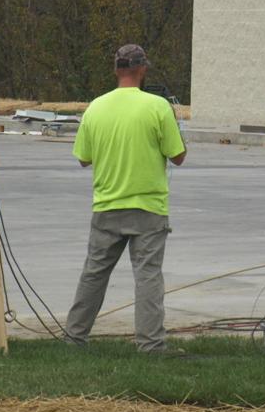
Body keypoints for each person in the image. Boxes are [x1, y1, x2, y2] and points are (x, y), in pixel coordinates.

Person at [65, 44, 186, 353]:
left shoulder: (96, 107)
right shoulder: (157, 107)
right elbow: (178, 156)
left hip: (107, 205)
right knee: (147, 277)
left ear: (116, 70)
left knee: (94, 273)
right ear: (142, 69)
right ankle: (150, 344)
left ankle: (75, 337)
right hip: (148, 207)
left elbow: (83, 158)